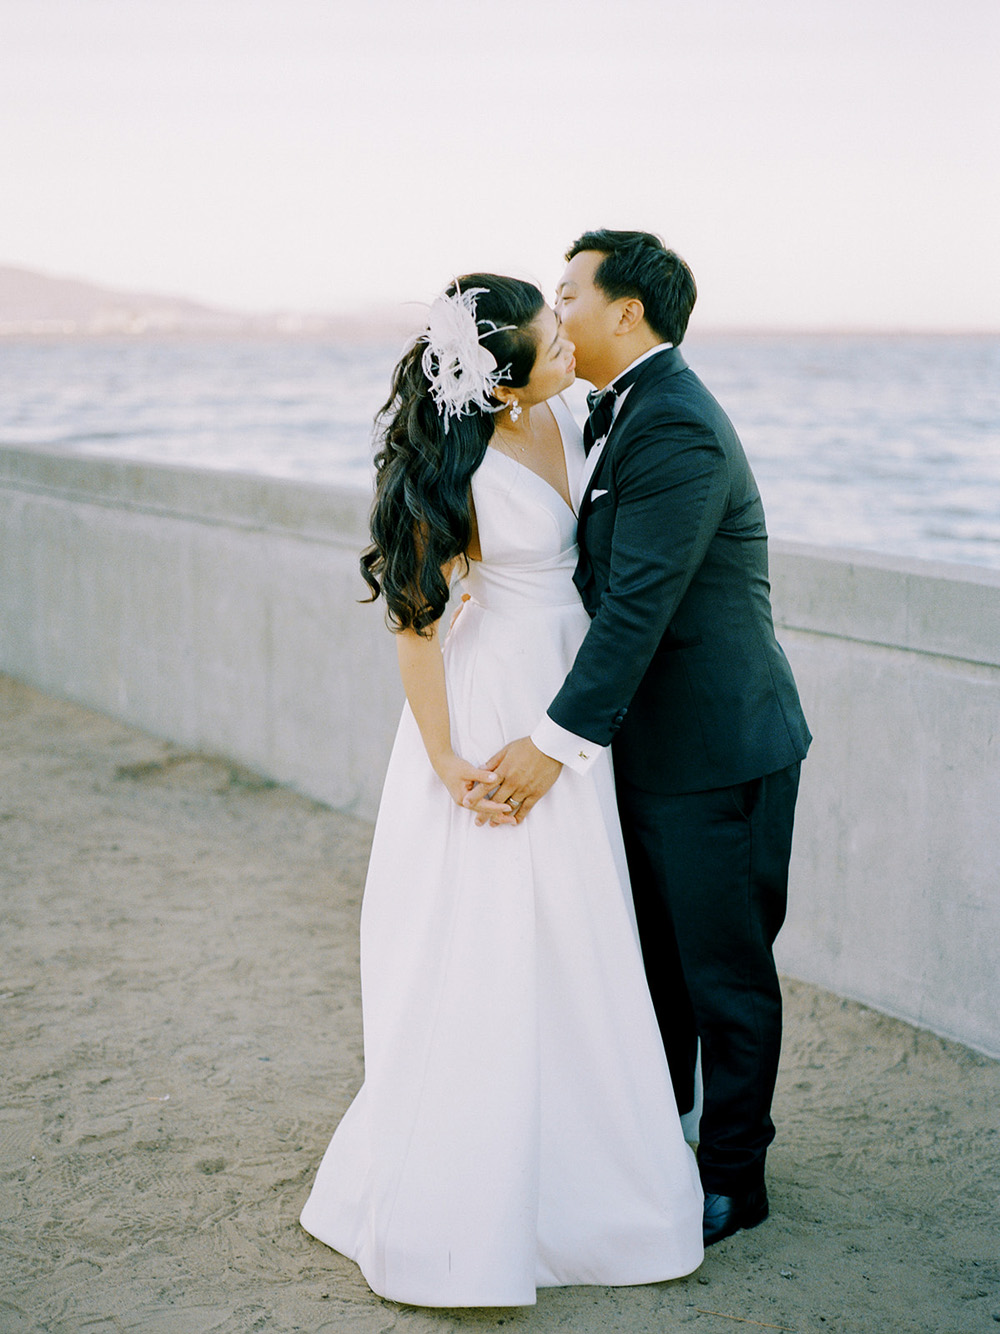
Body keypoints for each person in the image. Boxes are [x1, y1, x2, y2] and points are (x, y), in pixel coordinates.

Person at [299, 274, 704, 1307]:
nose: (569, 345)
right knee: (490, 938)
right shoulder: (458, 467)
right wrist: (443, 758)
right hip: (490, 709)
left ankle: (591, 1172)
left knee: (580, 930)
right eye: (550, 345)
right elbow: (413, 620)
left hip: (573, 704)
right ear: (502, 387)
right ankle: (473, 1199)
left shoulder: (566, 412)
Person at [464, 232, 811, 1247]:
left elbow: (636, 609)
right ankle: (653, 1145)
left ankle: (734, 1178)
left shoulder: (677, 428)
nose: (553, 308)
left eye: (567, 291)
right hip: (644, 751)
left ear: (626, 312)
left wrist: (549, 741)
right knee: (651, 965)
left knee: (723, 972)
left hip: (717, 750)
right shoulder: (598, 412)